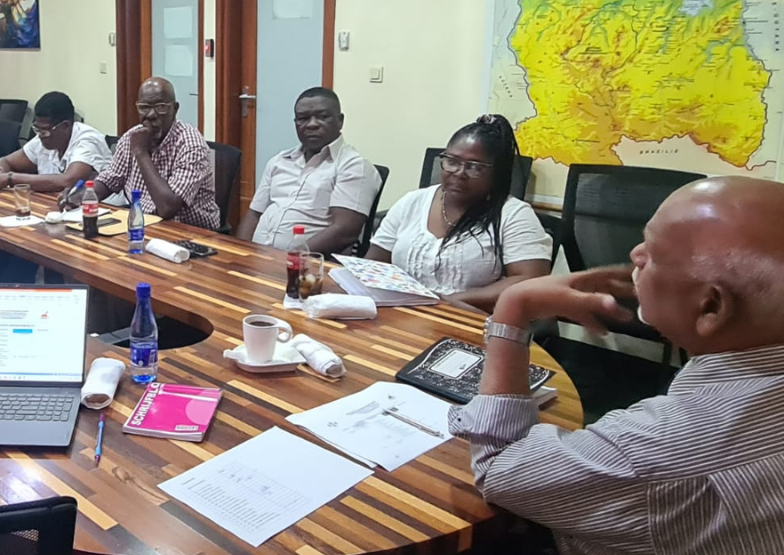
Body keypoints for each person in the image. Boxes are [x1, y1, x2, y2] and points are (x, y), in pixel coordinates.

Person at [451, 177, 784, 554]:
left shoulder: (657, 451)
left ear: (710, 307)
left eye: (653, 252)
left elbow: (500, 472)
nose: (635, 254)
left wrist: (513, 309)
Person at [366, 114, 551, 311]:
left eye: (475, 167)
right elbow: (373, 263)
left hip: (470, 318)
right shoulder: (412, 202)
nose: (460, 173)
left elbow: (529, 279)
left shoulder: (513, 214)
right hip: (401, 314)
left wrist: (446, 301)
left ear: (496, 172)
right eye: (452, 161)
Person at [236, 87, 382, 254]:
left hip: (308, 263)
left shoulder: (354, 166)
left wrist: (293, 258)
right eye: (303, 118)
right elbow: (254, 214)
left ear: (340, 121)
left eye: (322, 117)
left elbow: (344, 231)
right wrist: (240, 252)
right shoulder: (279, 161)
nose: (312, 124)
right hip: (258, 257)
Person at [82, 78, 219, 229]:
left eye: (161, 107)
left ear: (175, 109)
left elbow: (167, 208)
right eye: (144, 107)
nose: (151, 115)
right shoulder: (131, 137)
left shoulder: (191, 144)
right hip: (144, 224)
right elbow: (110, 180)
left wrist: (141, 153)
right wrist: (85, 196)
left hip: (190, 232)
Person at [0, 91, 110, 192]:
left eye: (44, 131)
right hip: (56, 204)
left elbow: (69, 181)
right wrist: (0, 172)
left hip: (101, 208)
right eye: (37, 129)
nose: (40, 136)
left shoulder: (88, 139)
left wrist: (10, 178)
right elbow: (5, 161)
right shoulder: (43, 136)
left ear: (65, 126)